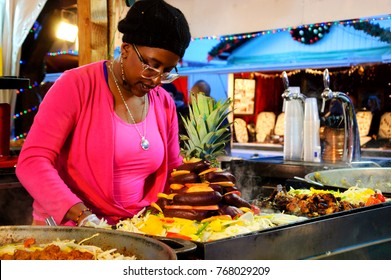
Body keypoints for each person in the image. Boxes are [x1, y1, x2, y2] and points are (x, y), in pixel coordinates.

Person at [15, 0, 191, 227]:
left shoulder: (163, 103)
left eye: (167, 71)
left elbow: (173, 169)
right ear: (126, 48)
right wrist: (83, 217)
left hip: (137, 228)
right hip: (70, 228)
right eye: (151, 66)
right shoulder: (75, 86)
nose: (156, 80)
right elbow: (32, 161)